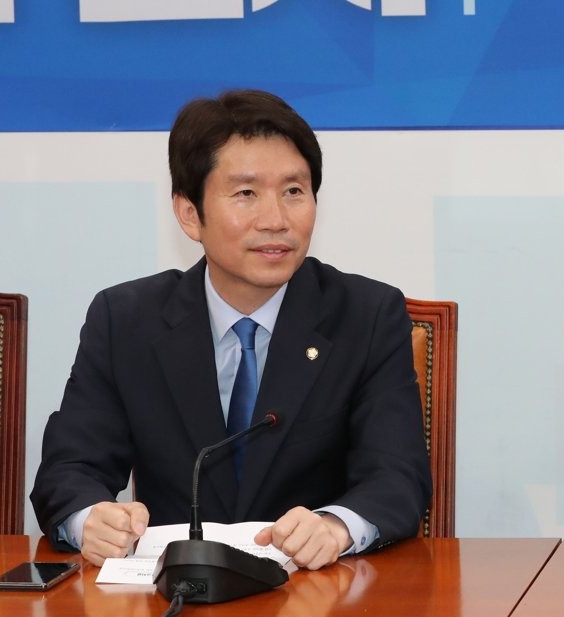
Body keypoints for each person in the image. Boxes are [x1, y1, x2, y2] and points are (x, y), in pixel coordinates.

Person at [31, 89, 432, 569]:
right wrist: (91, 520)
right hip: (174, 590)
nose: (276, 220)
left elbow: (398, 476)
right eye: (246, 194)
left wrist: (336, 526)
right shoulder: (126, 320)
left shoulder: (366, 316)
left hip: (316, 590)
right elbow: (69, 470)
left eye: (294, 191)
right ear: (189, 214)